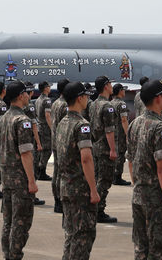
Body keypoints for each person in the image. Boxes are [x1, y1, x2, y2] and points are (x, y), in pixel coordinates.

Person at [128, 80, 162, 260]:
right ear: (158, 98)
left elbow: (131, 160)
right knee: (160, 251)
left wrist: (138, 186)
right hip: (156, 200)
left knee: (141, 250)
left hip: (139, 195)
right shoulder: (161, 128)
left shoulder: (135, 124)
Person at [56, 81, 100, 260]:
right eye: (87, 96)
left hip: (66, 185)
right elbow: (86, 158)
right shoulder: (82, 125)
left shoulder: (62, 123)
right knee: (83, 235)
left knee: (71, 234)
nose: (88, 99)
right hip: (80, 189)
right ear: (80, 98)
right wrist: (93, 189)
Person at [0, 80, 38, 260]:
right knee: (21, 222)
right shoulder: (23, 121)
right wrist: (31, 181)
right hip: (20, 179)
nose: (28, 97)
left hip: (6, 177)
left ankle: (8, 254)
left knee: (8, 220)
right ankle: (15, 255)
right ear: (21, 96)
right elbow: (26, 153)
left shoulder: (4, 118)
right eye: (26, 94)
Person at [89, 75, 118, 223]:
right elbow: (109, 130)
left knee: (96, 178)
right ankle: (98, 210)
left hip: (95, 146)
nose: (112, 86)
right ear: (106, 86)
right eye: (110, 84)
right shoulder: (107, 106)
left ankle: (93, 207)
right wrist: (113, 149)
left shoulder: (93, 104)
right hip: (105, 147)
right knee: (104, 180)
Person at [50, 78, 70, 213]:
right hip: (62, 141)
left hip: (55, 140)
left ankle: (57, 200)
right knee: (62, 172)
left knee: (56, 171)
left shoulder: (55, 103)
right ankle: (60, 200)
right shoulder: (64, 105)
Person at [110, 83, 130, 186]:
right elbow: (124, 119)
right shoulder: (121, 104)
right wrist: (128, 134)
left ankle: (113, 175)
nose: (124, 91)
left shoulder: (111, 103)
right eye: (123, 90)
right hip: (120, 133)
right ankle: (117, 177)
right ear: (119, 91)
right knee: (120, 154)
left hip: (112, 132)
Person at [35, 81, 53, 181]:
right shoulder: (47, 100)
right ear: (45, 88)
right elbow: (47, 115)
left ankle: (39, 170)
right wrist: (52, 128)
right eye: (48, 87)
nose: (50, 88)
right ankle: (42, 170)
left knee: (42, 150)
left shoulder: (38, 99)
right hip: (45, 127)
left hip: (40, 126)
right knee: (47, 149)